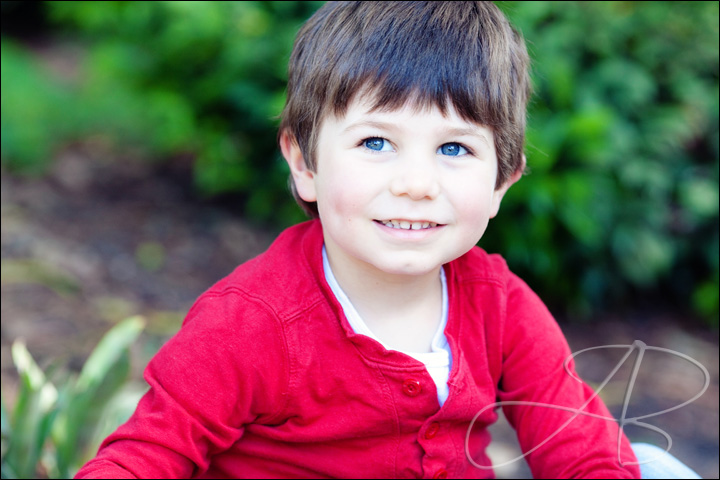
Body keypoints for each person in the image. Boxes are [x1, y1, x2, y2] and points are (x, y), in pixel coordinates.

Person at [75, 2, 697, 478]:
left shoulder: (497, 303)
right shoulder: (252, 322)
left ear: (504, 180)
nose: (416, 184)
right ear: (305, 163)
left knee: (651, 464)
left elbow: (578, 445)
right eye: (376, 142)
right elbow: (146, 455)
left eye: (454, 148)